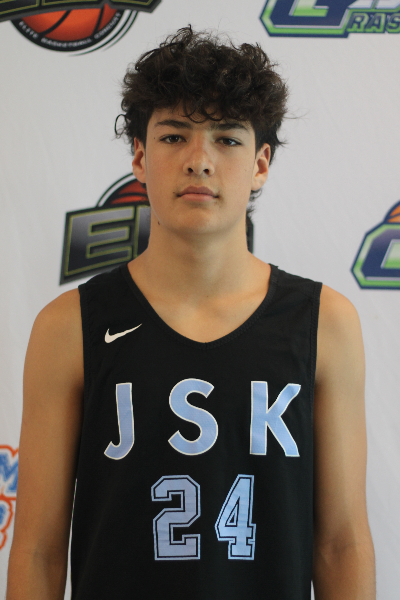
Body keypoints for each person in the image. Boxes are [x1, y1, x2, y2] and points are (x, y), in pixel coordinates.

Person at [6, 25, 375, 600]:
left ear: (260, 164)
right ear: (140, 156)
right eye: (175, 136)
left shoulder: (324, 323)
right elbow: (38, 549)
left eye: (227, 139)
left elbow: (341, 542)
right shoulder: (68, 326)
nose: (199, 160)